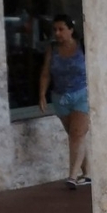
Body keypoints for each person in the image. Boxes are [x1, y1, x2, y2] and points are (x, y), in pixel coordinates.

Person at [38, 16, 90, 187]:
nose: (57, 33)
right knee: (75, 136)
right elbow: (46, 73)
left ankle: (72, 176)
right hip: (60, 97)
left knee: (77, 134)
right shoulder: (52, 49)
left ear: (71, 30)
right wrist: (42, 94)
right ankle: (87, 172)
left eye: (61, 29)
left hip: (82, 94)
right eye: (55, 30)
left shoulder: (83, 46)